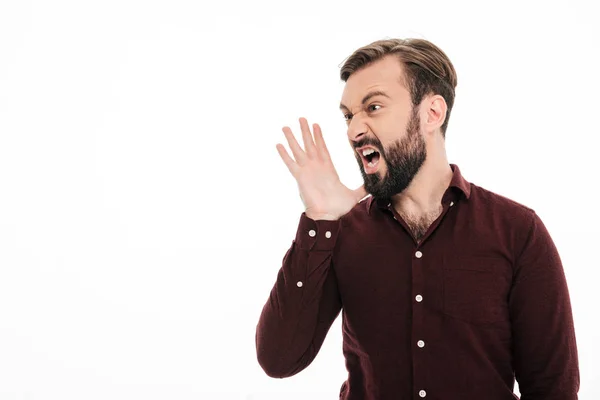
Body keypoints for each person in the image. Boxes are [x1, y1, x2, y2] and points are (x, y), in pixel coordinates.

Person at [254, 38, 580, 400]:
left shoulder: (518, 231)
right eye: (348, 116)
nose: (353, 130)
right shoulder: (342, 232)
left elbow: (554, 390)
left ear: (432, 114)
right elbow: (279, 360)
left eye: (373, 107)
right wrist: (320, 220)